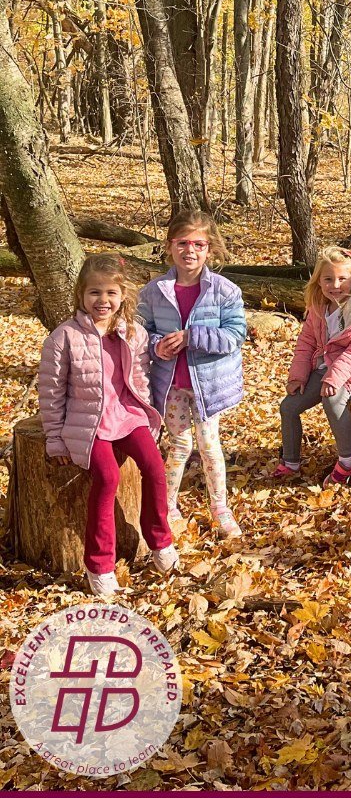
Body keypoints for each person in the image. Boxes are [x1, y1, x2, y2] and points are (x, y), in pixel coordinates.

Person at [38, 255, 178, 597]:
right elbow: (51, 392)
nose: (103, 301)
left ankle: (160, 542)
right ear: (81, 296)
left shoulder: (133, 332)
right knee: (108, 477)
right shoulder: (65, 337)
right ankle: (99, 564)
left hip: (128, 416)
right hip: (89, 424)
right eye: (94, 293)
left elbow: (141, 378)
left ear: (122, 295)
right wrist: (55, 440)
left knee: (155, 468)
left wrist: (146, 419)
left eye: (111, 292)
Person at [138, 210, 246, 539]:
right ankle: (168, 507)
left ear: (209, 248)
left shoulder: (224, 290)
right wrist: (158, 346)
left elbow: (235, 335)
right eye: (182, 243)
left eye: (198, 244)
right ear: (170, 246)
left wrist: (192, 337)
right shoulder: (154, 291)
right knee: (179, 445)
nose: (190, 251)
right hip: (172, 386)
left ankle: (220, 510)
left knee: (210, 446)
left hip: (208, 387)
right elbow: (141, 333)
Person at [273, 247, 351, 487]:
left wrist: (334, 379)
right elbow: (306, 343)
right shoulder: (319, 308)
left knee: (333, 400)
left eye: (342, 279)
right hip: (325, 368)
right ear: (318, 281)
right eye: (328, 279)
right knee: (289, 406)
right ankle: (290, 461)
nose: (335, 285)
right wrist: (298, 376)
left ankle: (347, 458)